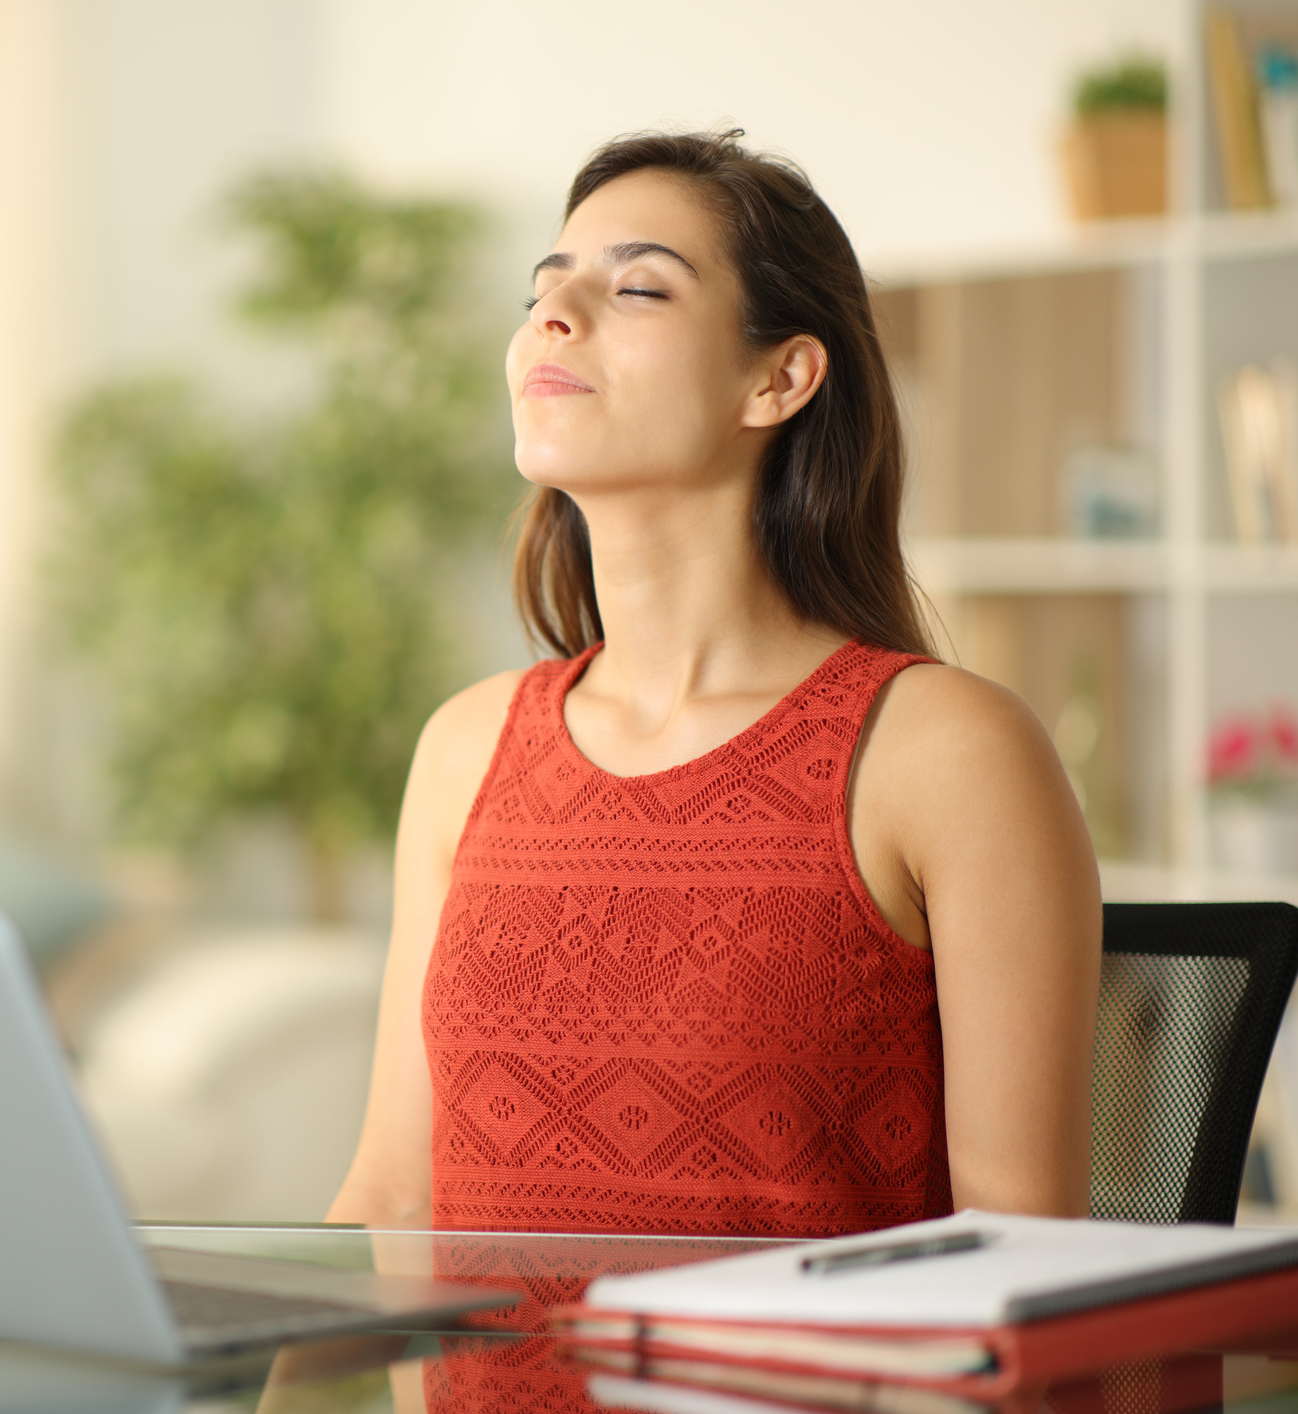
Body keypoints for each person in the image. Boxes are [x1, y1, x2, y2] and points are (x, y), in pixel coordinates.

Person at [326, 131, 1102, 1237]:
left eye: (637, 286)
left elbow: (1020, 1252)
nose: (554, 316)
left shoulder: (944, 750)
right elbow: (394, 1199)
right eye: (544, 290)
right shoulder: (466, 747)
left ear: (778, 376)